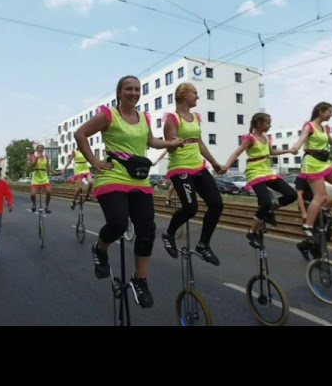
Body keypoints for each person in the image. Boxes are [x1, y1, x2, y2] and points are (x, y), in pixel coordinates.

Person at [74, 75, 183, 309]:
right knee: (118, 224)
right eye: (128, 89)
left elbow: (152, 142)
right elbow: (80, 134)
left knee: (146, 231)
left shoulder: (144, 117)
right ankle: (100, 248)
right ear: (119, 93)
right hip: (112, 176)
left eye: (137, 89)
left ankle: (140, 280)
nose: (133, 93)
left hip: (139, 179)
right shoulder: (108, 115)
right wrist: (93, 160)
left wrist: (171, 143)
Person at [160, 83, 226, 265]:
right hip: (180, 167)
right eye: (195, 93)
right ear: (183, 95)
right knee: (191, 208)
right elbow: (169, 147)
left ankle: (203, 245)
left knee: (217, 204)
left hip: (198, 166)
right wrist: (175, 143)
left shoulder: (196, 117)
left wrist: (214, 163)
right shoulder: (172, 119)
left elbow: (200, 143)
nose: (197, 97)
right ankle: (168, 233)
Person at [223, 113, 298, 248]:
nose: (270, 125)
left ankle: (270, 210)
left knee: (291, 194)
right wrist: (226, 166)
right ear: (259, 124)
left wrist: (289, 150)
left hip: (267, 172)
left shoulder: (266, 138)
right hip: (255, 172)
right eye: (268, 123)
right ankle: (252, 232)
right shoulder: (250, 139)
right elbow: (236, 153)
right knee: (265, 203)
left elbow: (272, 152)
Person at [290, 102, 332, 240]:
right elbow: (301, 139)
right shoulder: (309, 126)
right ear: (321, 112)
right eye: (329, 112)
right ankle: (308, 226)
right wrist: (295, 147)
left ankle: (325, 208)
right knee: (320, 197)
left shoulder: (324, 129)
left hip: (325, 163)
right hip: (312, 163)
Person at [29, 144, 60, 213]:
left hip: (44, 176)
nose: (40, 149)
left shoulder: (46, 157)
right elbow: (33, 165)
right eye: (39, 148)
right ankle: (34, 204)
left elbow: (48, 167)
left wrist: (55, 173)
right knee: (33, 194)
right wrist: (37, 158)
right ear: (37, 149)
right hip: (36, 176)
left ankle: (47, 207)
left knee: (49, 191)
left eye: (42, 148)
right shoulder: (33, 156)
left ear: (43, 150)